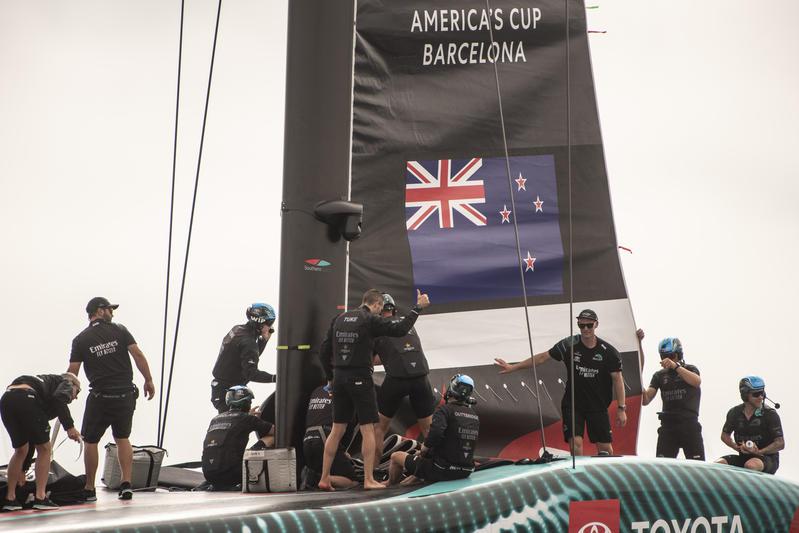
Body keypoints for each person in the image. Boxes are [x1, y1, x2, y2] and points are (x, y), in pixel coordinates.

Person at [317, 288, 430, 491]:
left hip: (340, 377)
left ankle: (324, 478)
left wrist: (331, 378)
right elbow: (400, 329)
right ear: (377, 305)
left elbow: (324, 351)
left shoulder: (339, 318)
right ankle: (370, 479)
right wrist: (418, 307)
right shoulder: (370, 319)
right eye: (380, 309)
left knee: (337, 430)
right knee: (369, 428)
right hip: (362, 377)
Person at [494, 309, 626, 455]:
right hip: (573, 405)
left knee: (605, 449)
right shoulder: (569, 344)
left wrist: (621, 409)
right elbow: (543, 357)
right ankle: (578, 474)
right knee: (575, 444)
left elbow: (618, 379)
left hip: (598, 405)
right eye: (582, 326)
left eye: (589, 325)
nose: (586, 329)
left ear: (596, 325)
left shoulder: (609, 352)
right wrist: (513, 367)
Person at [67, 297, 156, 501]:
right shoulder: (120, 330)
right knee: (122, 437)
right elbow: (138, 355)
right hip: (125, 395)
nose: (112, 313)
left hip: (100, 397)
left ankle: (89, 488)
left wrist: (69, 392)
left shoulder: (80, 340)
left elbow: (73, 372)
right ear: (99, 311)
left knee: (90, 441)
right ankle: (126, 483)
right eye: (109, 309)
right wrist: (148, 380)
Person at [0, 373, 82, 511]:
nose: (75, 397)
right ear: (73, 384)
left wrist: (24, 468)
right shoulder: (66, 381)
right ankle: (41, 497)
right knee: (45, 449)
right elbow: (59, 399)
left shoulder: (43, 384)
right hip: (27, 398)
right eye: (77, 391)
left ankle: (10, 499)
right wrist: (70, 427)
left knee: (21, 450)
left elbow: (32, 437)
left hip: (7, 399)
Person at [372, 293, 436, 466]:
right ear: (393, 309)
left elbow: (372, 358)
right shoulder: (406, 323)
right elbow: (396, 348)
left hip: (397, 380)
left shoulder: (376, 326)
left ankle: (372, 473)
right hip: (420, 378)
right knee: (428, 429)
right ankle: (434, 465)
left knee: (378, 429)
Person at [385, 374, 479, 486]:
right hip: (466, 471)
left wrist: (424, 448)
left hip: (442, 470)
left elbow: (436, 433)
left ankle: (389, 486)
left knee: (396, 457)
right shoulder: (474, 416)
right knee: (425, 458)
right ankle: (414, 478)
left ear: (451, 388)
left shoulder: (444, 410)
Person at [642, 337, 704, 460]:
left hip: (689, 423)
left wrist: (676, 367)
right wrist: (639, 383)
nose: (667, 359)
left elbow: (697, 381)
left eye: (670, 356)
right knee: (662, 466)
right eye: (664, 356)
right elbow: (646, 399)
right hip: (668, 425)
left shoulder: (690, 369)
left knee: (697, 466)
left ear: (678, 354)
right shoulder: (659, 375)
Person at [201, 386, 273, 489]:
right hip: (232, 474)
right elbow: (277, 431)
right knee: (271, 438)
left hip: (209, 475)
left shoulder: (215, 419)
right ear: (247, 402)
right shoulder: (248, 419)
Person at [211, 303, 276, 414]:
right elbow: (251, 373)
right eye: (269, 323)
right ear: (259, 323)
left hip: (223, 390)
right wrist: (276, 378)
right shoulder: (249, 342)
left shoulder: (238, 329)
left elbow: (247, 357)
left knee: (240, 425)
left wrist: (263, 340)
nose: (271, 327)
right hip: (229, 393)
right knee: (236, 427)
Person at [717, 376, 784, 474]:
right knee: (718, 464)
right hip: (743, 457)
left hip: (766, 458)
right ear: (745, 395)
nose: (760, 397)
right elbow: (725, 436)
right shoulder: (734, 413)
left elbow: (780, 443)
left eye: (762, 393)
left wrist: (759, 452)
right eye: (756, 394)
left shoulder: (770, 414)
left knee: (750, 465)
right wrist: (737, 447)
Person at [302, 384, 357, 490]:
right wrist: (343, 451)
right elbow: (348, 427)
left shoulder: (317, 390)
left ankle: (314, 475)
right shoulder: (346, 392)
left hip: (307, 439)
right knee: (352, 481)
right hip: (325, 437)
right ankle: (316, 478)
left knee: (324, 470)